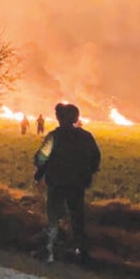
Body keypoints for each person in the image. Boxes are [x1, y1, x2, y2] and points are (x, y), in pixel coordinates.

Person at [33, 103, 101, 264]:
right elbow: (95, 158)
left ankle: (49, 251)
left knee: (54, 216)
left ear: (60, 118)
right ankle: (82, 251)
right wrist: (87, 174)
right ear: (76, 118)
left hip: (57, 183)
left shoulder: (54, 137)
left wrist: (40, 171)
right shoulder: (86, 137)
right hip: (77, 184)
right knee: (77, 217)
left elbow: (41, 158)